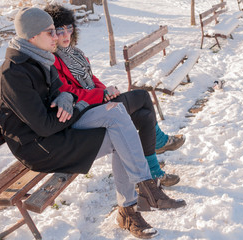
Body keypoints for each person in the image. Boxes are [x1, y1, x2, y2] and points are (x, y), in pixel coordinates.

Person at [0, 7, 186, 239]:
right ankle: (147, 192)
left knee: (117, 117)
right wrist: (76, 105)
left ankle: (135, 202)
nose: (57, 37)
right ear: (32, 36)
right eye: (50, 32)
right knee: (121, 130)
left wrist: (68, 98)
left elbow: (63, 94)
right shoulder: (14, 74)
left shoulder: (41, 58)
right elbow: (44, 125)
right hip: (40, 149)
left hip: (58, 133)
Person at [44, 4, 185, 187]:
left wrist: (107, 91)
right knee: (142, 96)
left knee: (145, 116)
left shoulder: (75, 53)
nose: (65, 35)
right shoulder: (52, 59)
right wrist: (101, 95)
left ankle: (154, 170)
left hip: (95, 103)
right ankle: (159, 142)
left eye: (68, 28)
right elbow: (69, 93)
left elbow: (92, 78)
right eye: (59, 30)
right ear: (50, 33)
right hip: (84, 113)